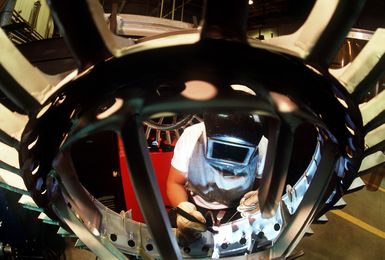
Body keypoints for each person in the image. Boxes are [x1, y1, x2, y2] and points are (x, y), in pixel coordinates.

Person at [166, 112, 268, 244]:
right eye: (221, 148)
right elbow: (175, 183)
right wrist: (184, 209)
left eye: (237, 152)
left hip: (238, 211)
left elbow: (262, 184)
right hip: (195, 208)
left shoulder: (263, 147)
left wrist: (260, 196)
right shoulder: (191, 136)